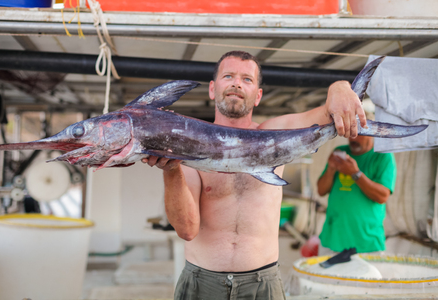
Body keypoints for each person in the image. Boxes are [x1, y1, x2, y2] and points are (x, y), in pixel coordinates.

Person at [142, 50, 366, 299]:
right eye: (229, 76)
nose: (237, 83)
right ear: (212, 89)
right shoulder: (191, 145)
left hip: (262, 285)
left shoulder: (273, 133)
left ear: (258, 96)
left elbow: (327, 113)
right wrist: (171, 170)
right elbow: (186, 230)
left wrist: (340, 86)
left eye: (247, 79)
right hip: (202, 283)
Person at [317, 133, 397, 256]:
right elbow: (321, 191)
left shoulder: (383, 157)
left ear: (371, 134)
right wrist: (331, 169)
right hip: (333, 238)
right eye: (351, 133)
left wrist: (355, 173)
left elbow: (382, 196)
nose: (353, 138)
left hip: (367, 243)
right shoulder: (340, 152)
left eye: (359, 134)